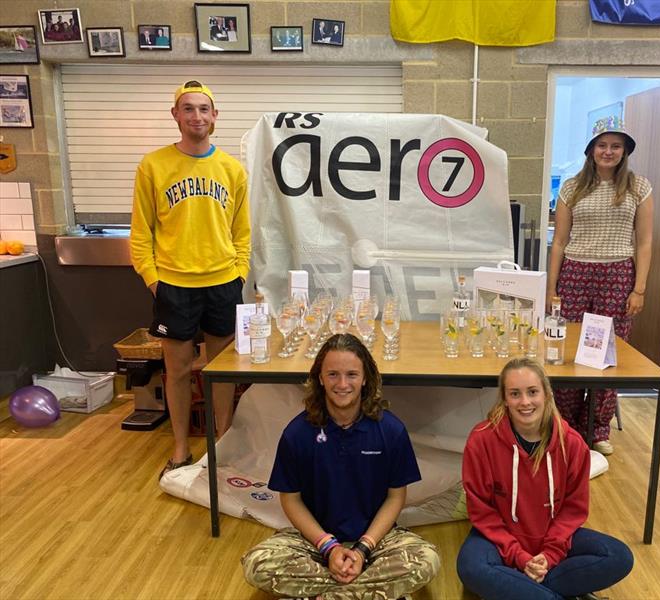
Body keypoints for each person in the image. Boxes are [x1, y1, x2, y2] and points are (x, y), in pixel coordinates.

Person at [241, 333, 440, 600]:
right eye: (333, 374)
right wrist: (330, 548)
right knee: (257, 564)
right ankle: (367, 592)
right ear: (320, 378)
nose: (342, 384)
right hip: (315, 541)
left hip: (374, 541)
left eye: (352, 374)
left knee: (426, 559)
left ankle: (324, 594)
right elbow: (290, 500)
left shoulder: (391, 430)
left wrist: (362, 549)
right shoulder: (297, 433)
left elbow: (396, 497)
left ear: (366, 378)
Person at [130, 81, 251, 479]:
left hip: (222, 282)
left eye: (204, 109)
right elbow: (140, 233)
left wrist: (239, 275)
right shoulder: (153, 165)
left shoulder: (232, 169)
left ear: (215, 116)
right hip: (174, 285)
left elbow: (243, 233)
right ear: (176, 116)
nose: (196, 116)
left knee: (221, 371)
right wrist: (154, 280)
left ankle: (223, 445)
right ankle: (181, 448)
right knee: (179, 370)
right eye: (188, 109)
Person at [457, 358, 634, 600]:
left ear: (547, 394)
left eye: (532, 392)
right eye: (515, 394)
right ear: (505, 399)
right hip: (500, 539)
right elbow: (482, 512)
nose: (525, 402)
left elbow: (573, 510)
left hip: (553, 538)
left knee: (619, 556)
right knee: (471, 567)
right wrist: (519, 556)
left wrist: (549, 556)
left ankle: (518, 588)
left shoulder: (571, 444)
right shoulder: (481, 440)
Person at [547, 117, 653, 456]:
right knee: (567, 352)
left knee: (608, 356)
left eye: (615, 146)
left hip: (618, 276)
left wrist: (639, 289)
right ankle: (563, 426)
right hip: (576, 273)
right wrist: (552, 290)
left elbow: (645, 242)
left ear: (624, 152)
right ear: (591, 150)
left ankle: (596, 429)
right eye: (602, 145)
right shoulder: (571, 188)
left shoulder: (639, 188)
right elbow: (559, 242)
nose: (608, 151)